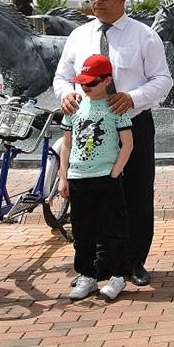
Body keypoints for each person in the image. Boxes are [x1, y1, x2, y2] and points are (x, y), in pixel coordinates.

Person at [54, 0, 172, 287]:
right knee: (93, 195)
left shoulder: (144, 35)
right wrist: (66, 94)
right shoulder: (78, 36)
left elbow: (163, 80)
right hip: (90, 128)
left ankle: (134, 261)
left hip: (132, 124)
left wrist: (133, 97)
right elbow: (61, 77)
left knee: (136, 193)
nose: (97, 1)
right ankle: (99, 264)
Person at [58, 55, 134, 301]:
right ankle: (87, 275)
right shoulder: (74, 107)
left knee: (114, 229)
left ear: (107, 81)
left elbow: (128, 143)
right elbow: (66, 144)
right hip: (78, 178)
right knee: (82, 232)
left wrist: (115, 173)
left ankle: (118, 275)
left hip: (106, 178)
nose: (85, 87)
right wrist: (63, 176)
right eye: (82, 82)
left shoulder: (115, 107)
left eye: (91, 82)